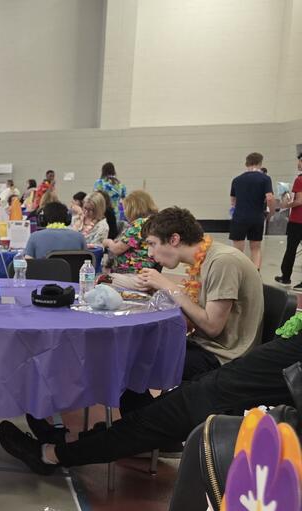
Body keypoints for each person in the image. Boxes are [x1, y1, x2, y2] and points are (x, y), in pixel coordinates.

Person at [0, 293, 302, 479]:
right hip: (241, 375)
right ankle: (71, 442)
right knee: (158, 407)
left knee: (157, 418)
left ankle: (50, 455)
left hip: (238, 391)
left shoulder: (224, 261)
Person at [135, 207, 263, 381]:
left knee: (137, 362)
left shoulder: (223, 261)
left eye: (152, 244)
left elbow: (212, 328)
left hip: (223, 356)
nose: (150, 253)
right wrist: (161, 293)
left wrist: (168, 286)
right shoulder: (201, 260)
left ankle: (156, 400)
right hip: (204, 345)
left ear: (174, 239)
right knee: (137, 350)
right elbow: (192, 318)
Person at [229, 152, 274, 269]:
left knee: (237, 250)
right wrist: (271, 213)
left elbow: (233, 200)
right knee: (255, 248)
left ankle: (238, 273)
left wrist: (234, 211)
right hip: (257, 217)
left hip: (239, 217)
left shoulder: (236, 180)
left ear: (246, 163)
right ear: (260, 163)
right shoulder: (265, 179)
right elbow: (269, 197)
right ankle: (255, 273)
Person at [103, 190, 159, 274]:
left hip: (132, 272)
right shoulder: (153, 221)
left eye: (125, 208)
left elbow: (117, 249)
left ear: (133, 209)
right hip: (145, 270)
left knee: (99, 278)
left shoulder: (139, 224)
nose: (124, 212)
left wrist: (108, 242)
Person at [277, 155, 302, 289]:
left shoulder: (299, 180)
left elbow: (299, 201)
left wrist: (287, 204)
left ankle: (286, 276)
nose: (298, 164)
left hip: (297, 221)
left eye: (300, 161)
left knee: (291, 249)